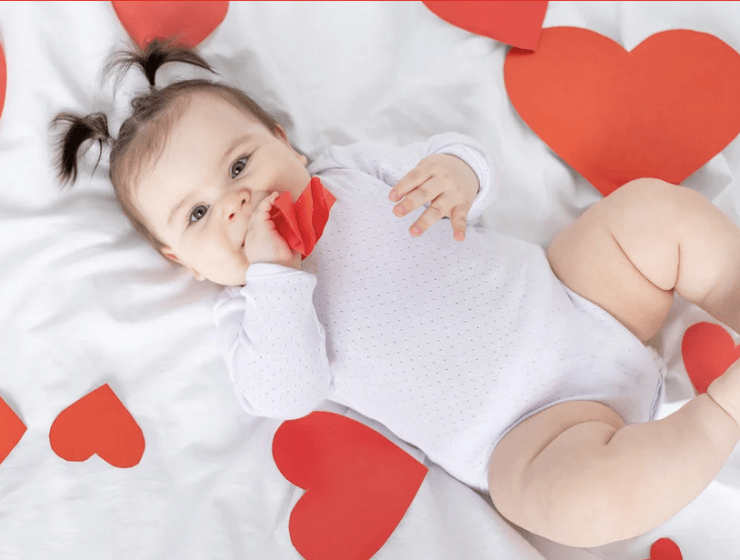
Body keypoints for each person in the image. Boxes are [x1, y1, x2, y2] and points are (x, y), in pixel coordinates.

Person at [52, 39, 740, 548]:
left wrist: (458, 174)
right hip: (527, 435)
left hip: (574, 297)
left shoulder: (348, 172)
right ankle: (718, 418)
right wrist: (276, 278)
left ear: (282, 141)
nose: (237, 203)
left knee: (650, 214)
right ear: (186, 264)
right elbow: (287, 392)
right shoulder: (251, 314)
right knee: (580, 506)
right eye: (199, 216)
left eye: (240, 164)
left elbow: (454, 158)